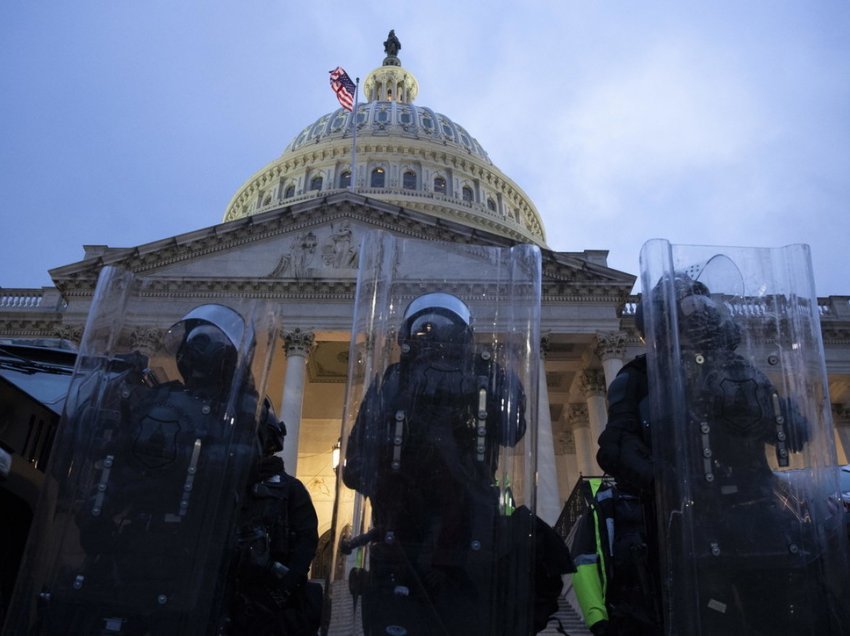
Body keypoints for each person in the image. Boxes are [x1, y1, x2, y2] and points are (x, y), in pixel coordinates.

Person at [342, 292, 568, 635]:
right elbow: (357, 463)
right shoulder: (393, 382)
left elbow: (511, 430)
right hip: (406, 532)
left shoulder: (485, 378)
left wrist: (481, 392)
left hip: (464, 532)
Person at [40, 304, 261, 635]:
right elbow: (109, 452)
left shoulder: (238, 411)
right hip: (127, 543)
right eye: (192, 351)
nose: (195, 361)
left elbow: (246, 461)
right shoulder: (155, 399)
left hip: (191, 553)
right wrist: (110, 390)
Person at [227, 398, 321, 636]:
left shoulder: (290, 490)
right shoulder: (227, 485)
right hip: (227, 597)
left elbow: (306, 542)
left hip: (270, 605)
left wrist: (280, 593)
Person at [571, 477, 658, 636]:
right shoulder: (602, 509)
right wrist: (598, 620)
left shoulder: (666, 501)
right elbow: (583, 566)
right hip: (628, 613)